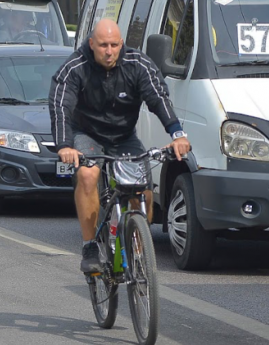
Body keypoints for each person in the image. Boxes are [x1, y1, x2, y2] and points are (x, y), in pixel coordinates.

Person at [49, 18, 191, 273]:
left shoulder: (138, 63)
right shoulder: (75, 67)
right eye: (103, 45)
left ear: (121, 43)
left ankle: (138, 245)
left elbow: (158, 97)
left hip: (124, 137)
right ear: (91, 43)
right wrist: (64, 145)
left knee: (143, 187)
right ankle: (90, 244)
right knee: (88, 175)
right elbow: (61, 106)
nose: (109, 51)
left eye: (114, 44)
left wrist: (177, 134)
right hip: (87, 135)